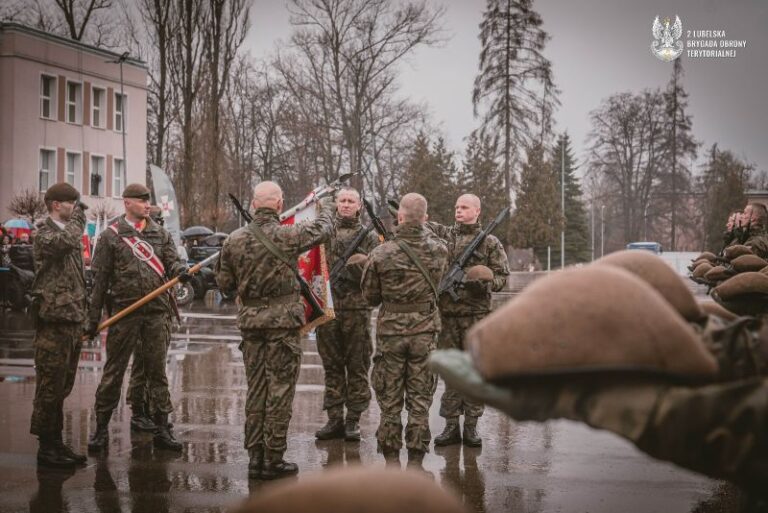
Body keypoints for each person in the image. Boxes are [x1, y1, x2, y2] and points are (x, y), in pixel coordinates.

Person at [215, 180, 336, 480]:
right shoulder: (288, 235)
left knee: (256, 390)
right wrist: (327, 206)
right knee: (279, 391)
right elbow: (323, 230)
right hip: (282, 325)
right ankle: (273, 458)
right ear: (280, 205)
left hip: (251, 324)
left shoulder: (234, 240)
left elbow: (225, 284)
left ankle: (255, 457)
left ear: (253, 204)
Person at [86, 183, 190, 452]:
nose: (147, 205)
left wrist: (180, 270)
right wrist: (92, 320)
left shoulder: (160, 234)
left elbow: (172, 262)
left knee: (157, 372)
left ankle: (162, 428)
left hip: (156, 312)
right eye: (142, 201)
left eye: (148, 201)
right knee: (114, 372)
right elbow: (99, 282)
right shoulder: (111, 236)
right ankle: (100, 429)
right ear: (127, 203)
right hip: (124, 313)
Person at [360, 193, 449, 463]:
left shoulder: (381, 253)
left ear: (399, 217)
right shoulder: (440, 250)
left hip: (391, 335)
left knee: (390, 400)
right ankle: (416, 461)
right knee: (420, 400)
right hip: (424, 333)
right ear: (425, 218)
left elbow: (369, 297)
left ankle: (390, 460)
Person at [429, 194, 509, 447]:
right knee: (452, 371)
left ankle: (472, 427)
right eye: (456, 207)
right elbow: (423, 229)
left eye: (464, 207)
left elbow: (502, 277)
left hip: (476, 317)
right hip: (447, 317)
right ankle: (451, 425)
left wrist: (484, 284)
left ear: (477, 211)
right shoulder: (445, 237)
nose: (458, 211)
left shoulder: (489, 242)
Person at [28, 182, 89, 468]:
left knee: (62, 386)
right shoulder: (46, 235)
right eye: (71, 204)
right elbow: (65, 243)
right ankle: (46, 448)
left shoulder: (67, 234)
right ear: (56, 205)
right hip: (53, 322)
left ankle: (56, 442)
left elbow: (77, 280)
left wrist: (85, 317)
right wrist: (79, 218)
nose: (74, 209)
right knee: (49, 388)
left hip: (72, 319)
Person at [315, 187, 380, 442]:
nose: (345, 204)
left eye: (350, 201)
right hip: (328, 309)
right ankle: (334, 418)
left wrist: (356, 270)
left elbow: (376, 274)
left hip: (357, 310)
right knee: (331, 365)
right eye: (341, 200)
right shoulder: (324, 233)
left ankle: (353, 419)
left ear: (359, 205)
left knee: (357, 365)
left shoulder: (369, 237)